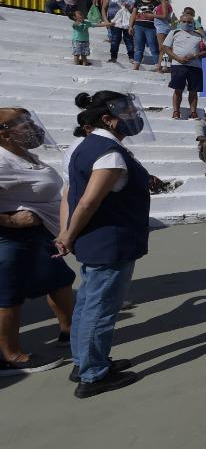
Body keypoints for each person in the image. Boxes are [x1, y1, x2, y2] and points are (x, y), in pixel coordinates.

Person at [57, 90, 153, 398]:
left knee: (87, 305)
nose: (132, 118)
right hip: (110, 242)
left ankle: (85, 362)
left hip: (96, 242)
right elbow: (86, 202)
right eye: (124, 114)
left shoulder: (84, 146)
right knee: (100, 310)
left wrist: (68, 234)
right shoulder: (109, 153)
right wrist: (67, 236)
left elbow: (73, 195)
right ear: (107, 119)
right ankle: (93, 375)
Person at [0, 108, 74, 375]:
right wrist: (9, 221)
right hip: (10, 239)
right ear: (4, 134)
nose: (30, 127)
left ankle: (69, 332)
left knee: (58, 280)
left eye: (29, 121)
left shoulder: (24, 155)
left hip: (40, 235)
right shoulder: (1, 160)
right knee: (8, 296)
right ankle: (10, 356)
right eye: (22, 123)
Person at [161, 11, 206, 120]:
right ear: (180, 22)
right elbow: (165, 48)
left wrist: (196, 55)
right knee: (178, 89)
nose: (187, 23)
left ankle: (193, 113)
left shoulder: (199, 35)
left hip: (195, 66)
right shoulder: (174, 32)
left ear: (193, 23)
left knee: (193, 91)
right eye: (184, 21)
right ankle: (176, 112)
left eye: (189, 22)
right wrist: (178, 58)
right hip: (178, 65)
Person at [101, 0, 135, 64]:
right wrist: (106, 21)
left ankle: (131, 57)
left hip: (127, 22)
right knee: (115, 40)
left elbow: (133, 11)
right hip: (113, 22)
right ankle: (113, 57)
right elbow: (104, 9)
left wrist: (128, 7)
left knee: (129, 40)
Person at [130, 0, 160, 72]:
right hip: (138, 26)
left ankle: (157, 66)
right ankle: (136, 66)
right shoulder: (137, 2)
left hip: (151, 27)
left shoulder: (157, 2)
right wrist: (130, 26)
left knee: (153, 46)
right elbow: (133, 15)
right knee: (139, 47)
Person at [152, 0, 175, 74]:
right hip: (162, 27)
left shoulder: (164, 3)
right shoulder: (164, 4)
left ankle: (160, 68)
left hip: (162, 28)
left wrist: (151, 15)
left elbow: (164, 16)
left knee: (162, 48)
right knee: (164, 48)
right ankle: (162, 66)